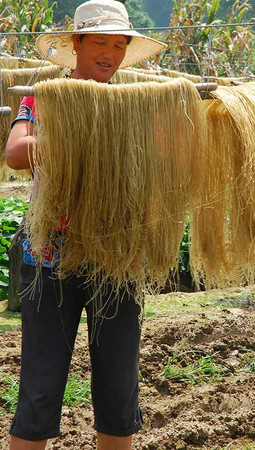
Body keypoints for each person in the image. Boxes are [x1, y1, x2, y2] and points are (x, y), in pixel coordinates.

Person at [5, 1, 166, 448]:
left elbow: (162, 157)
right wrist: (78, 132)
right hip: (49, 261)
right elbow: (17, 154)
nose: (109, 53)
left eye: (119, 45)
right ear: (76, 43)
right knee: (40, 387)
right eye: (100, 42)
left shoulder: (134, 102)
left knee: (118, 389)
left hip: (117, 260)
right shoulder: (47, 97)